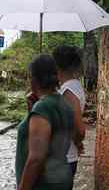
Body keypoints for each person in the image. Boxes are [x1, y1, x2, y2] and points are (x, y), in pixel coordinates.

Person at [16, 55, 74, 190]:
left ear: (34, 80)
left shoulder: (43, 107)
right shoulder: (65, 104)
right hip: (62, 179)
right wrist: (32, 110)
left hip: (43, 184)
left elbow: (36, 158)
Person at [53, 46, 86, 189]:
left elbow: (78, 128)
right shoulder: (71, 86)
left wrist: (78, 142)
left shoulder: (68, 91)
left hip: (64, 158)